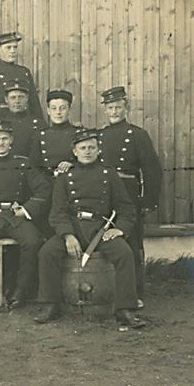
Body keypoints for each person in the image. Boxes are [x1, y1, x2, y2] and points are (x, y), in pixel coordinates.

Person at [34, 128, 146, 329]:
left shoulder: (109, 174)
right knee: (46, 252)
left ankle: (124, 309)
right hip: (73, 227)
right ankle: (50, 305)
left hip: (100, 229)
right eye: (83, 148)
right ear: (75, 152)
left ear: (98, 150)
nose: (87, 151)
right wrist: (67, 235)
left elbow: (126, 208)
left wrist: (120, 229)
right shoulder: (64, 177)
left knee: (124, 253)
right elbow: (57, 211)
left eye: (92, 147)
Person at [0, 120, 50, 314]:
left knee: (32, 241)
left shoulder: (23, 163)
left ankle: (20, 290)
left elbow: (43, 189)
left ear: (11, 140)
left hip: (15, 215)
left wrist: (26, 209)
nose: (1, 143)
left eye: (5, 138)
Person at [98, 86, 163, 309]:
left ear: (126, 107)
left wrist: (148, 201)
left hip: (129, 192)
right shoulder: (99, 136)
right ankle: (107, 289)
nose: (114, 111)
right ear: (104, 110)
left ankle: (135, 293)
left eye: (118, 107)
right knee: (106, 240)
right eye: (110, 107)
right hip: (104, 195)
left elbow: (152, 169)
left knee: (132, 243)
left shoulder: (137, 134)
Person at [28, 89, 84, 238]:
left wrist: (73, 164)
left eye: (63, 108)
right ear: (48, 111)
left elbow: (90, 160)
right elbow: (33, 166)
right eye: (54, 108)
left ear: (69, 110)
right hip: (48, 187)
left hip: (73, 186)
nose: (58, 112)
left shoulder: (79, 134)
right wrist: (43, 185)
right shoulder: (41, 135)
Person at [0, 31, 43, 129]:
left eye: (15, 47)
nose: (12, 51)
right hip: (1, 126)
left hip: (25, 124)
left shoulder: (24, 72)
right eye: (8, 47)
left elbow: (34, 103)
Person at [0, 79, 44, 157]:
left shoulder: (39, 124)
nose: (17, 101)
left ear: (27, 98)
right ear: (6, 99)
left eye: (21, 97)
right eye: (13, 97)